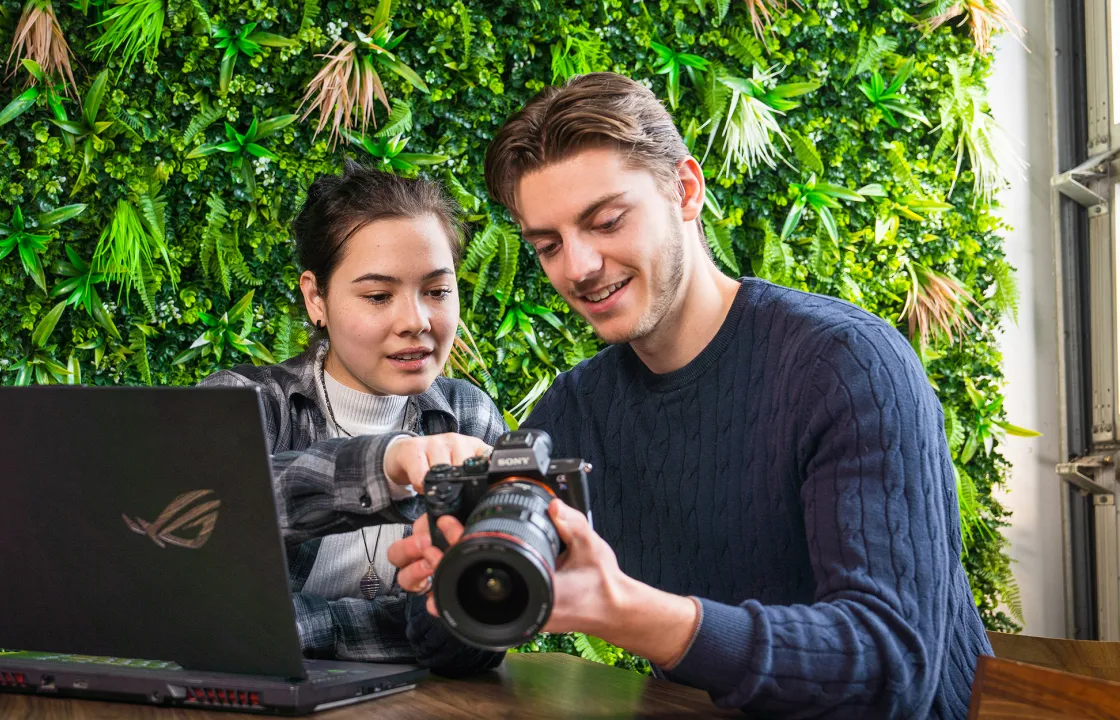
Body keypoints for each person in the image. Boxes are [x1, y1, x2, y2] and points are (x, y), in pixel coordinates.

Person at [384, 72, 994, 717]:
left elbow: (890, 666)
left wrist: (628, 613)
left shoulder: (845, 363)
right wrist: (454, 568)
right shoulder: (580, 410)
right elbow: (449, 651)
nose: (578, 267)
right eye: (548, 244)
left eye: (607, 221)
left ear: (684, 190)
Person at [198, 162, 505, 675]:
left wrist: (301, 627)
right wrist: (386, 464)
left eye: (437, 291)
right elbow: (206, 527)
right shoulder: (245, 404)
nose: (415, 321)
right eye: (378, 296)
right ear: (316, 297)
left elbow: (479, 630)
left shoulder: (469, 417)